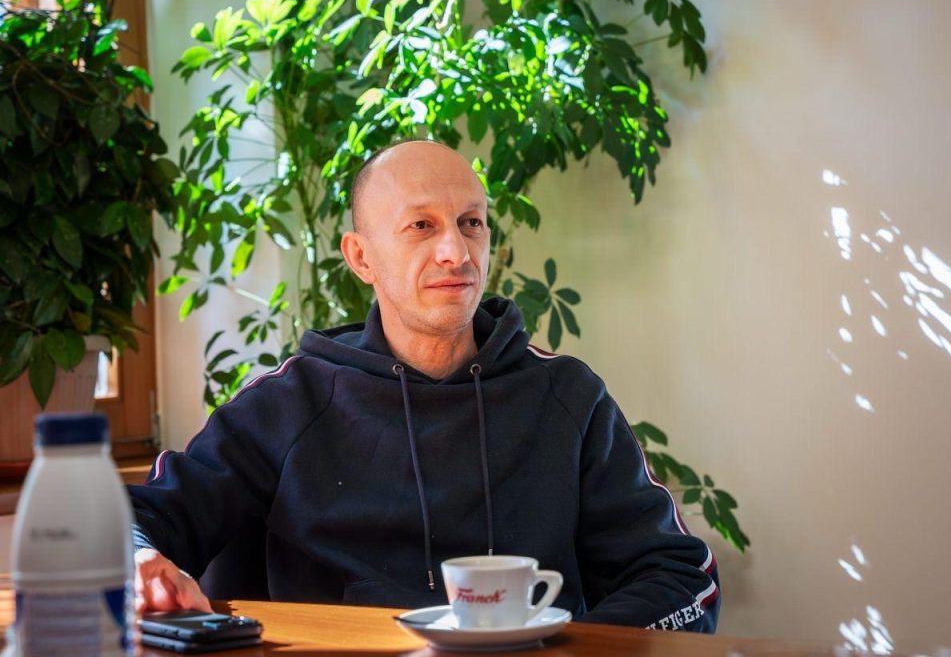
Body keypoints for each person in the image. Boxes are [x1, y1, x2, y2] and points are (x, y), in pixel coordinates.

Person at [129, 140, 721, 632]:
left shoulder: (568, 396)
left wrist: (570, 651)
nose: (455, 252)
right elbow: (141, 518)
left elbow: (680, 577)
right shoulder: (288, 403)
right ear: (361, 257)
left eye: (471, 224)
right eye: (421, 225)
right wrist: (140, 560)